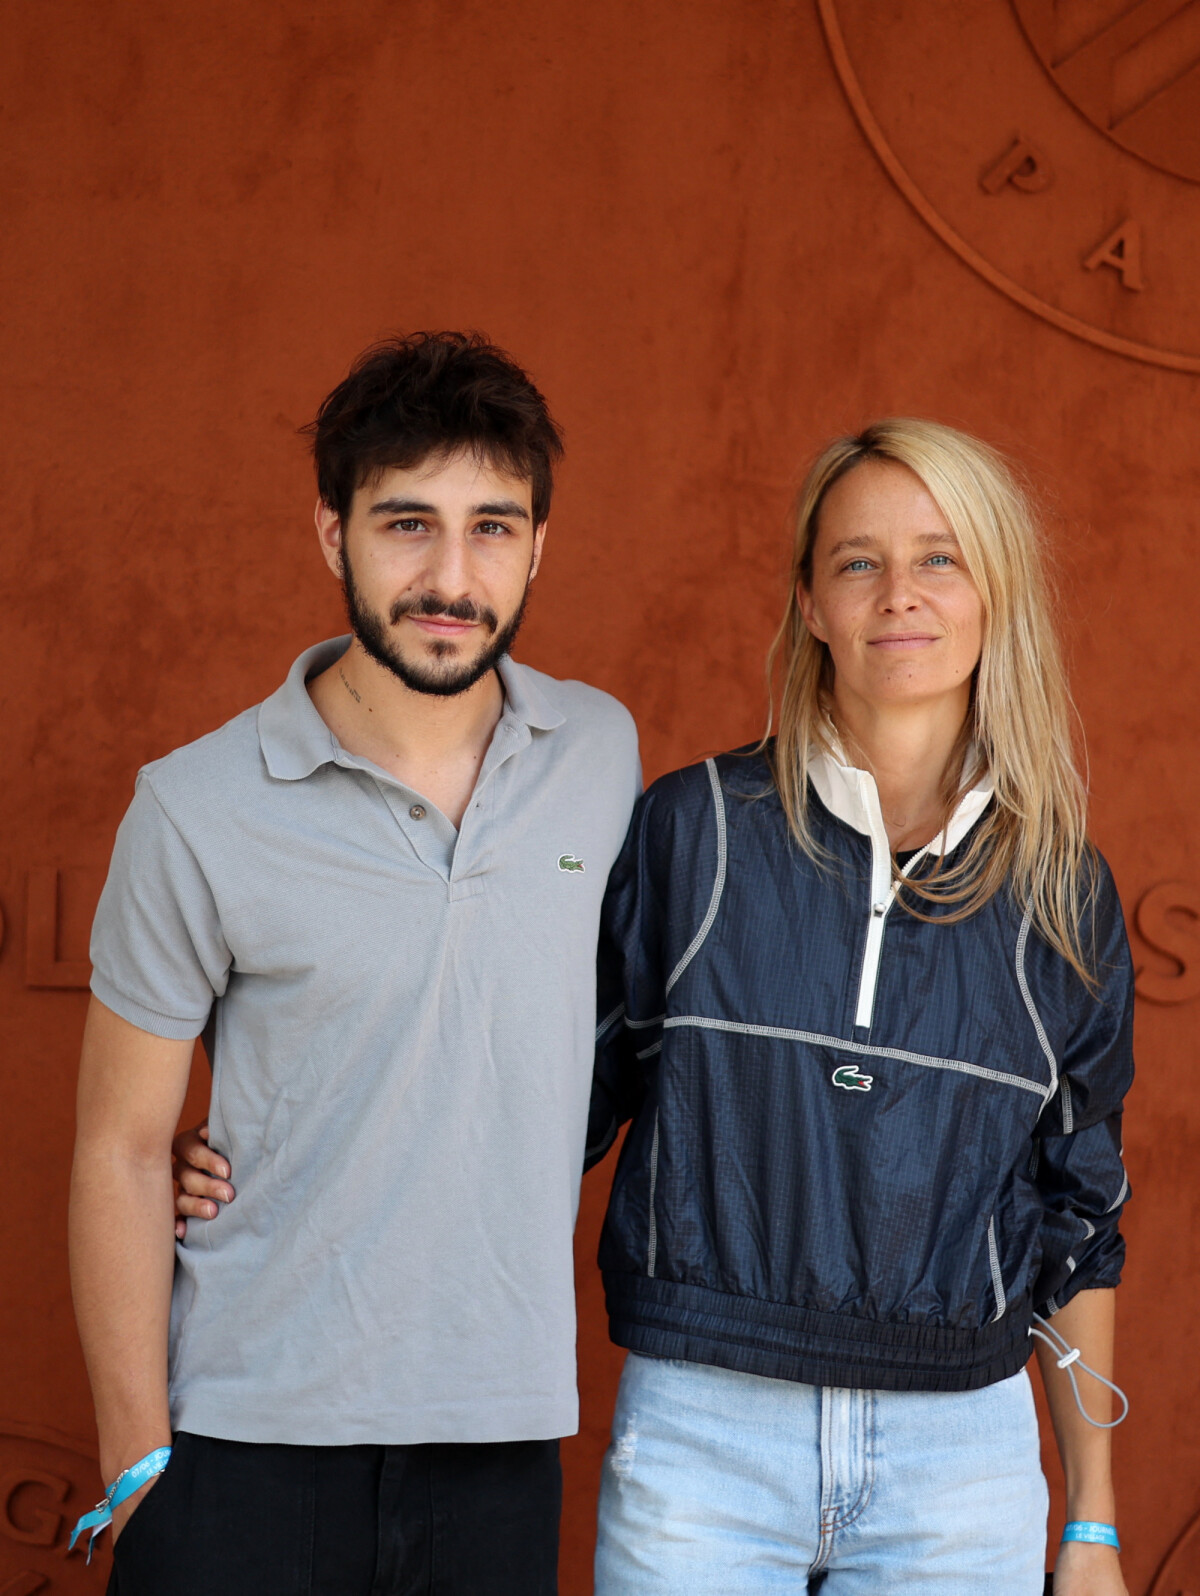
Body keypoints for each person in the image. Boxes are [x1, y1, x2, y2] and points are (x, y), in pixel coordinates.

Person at [69, 331, 640, 1596]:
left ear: (539, 545)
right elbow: (118, 1146)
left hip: (498, 1436)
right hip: (240, 1439)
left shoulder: (599, 753)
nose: (450, 574)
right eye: (406, 525)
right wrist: (134, 1453)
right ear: (332, 533)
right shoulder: (194, 807)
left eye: (493, 527)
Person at [585, 419, 1132, 1595]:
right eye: (857, 562)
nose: (900, 596)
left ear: (997, 596)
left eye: (941, 558)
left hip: (962, 1462)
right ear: (812, 603)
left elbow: (1080, 1224)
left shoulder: (1063, 894)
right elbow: (546, 1116)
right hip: (704, 1438)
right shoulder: (696, 830)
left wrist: (1091, 1523)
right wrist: (271, 1156)